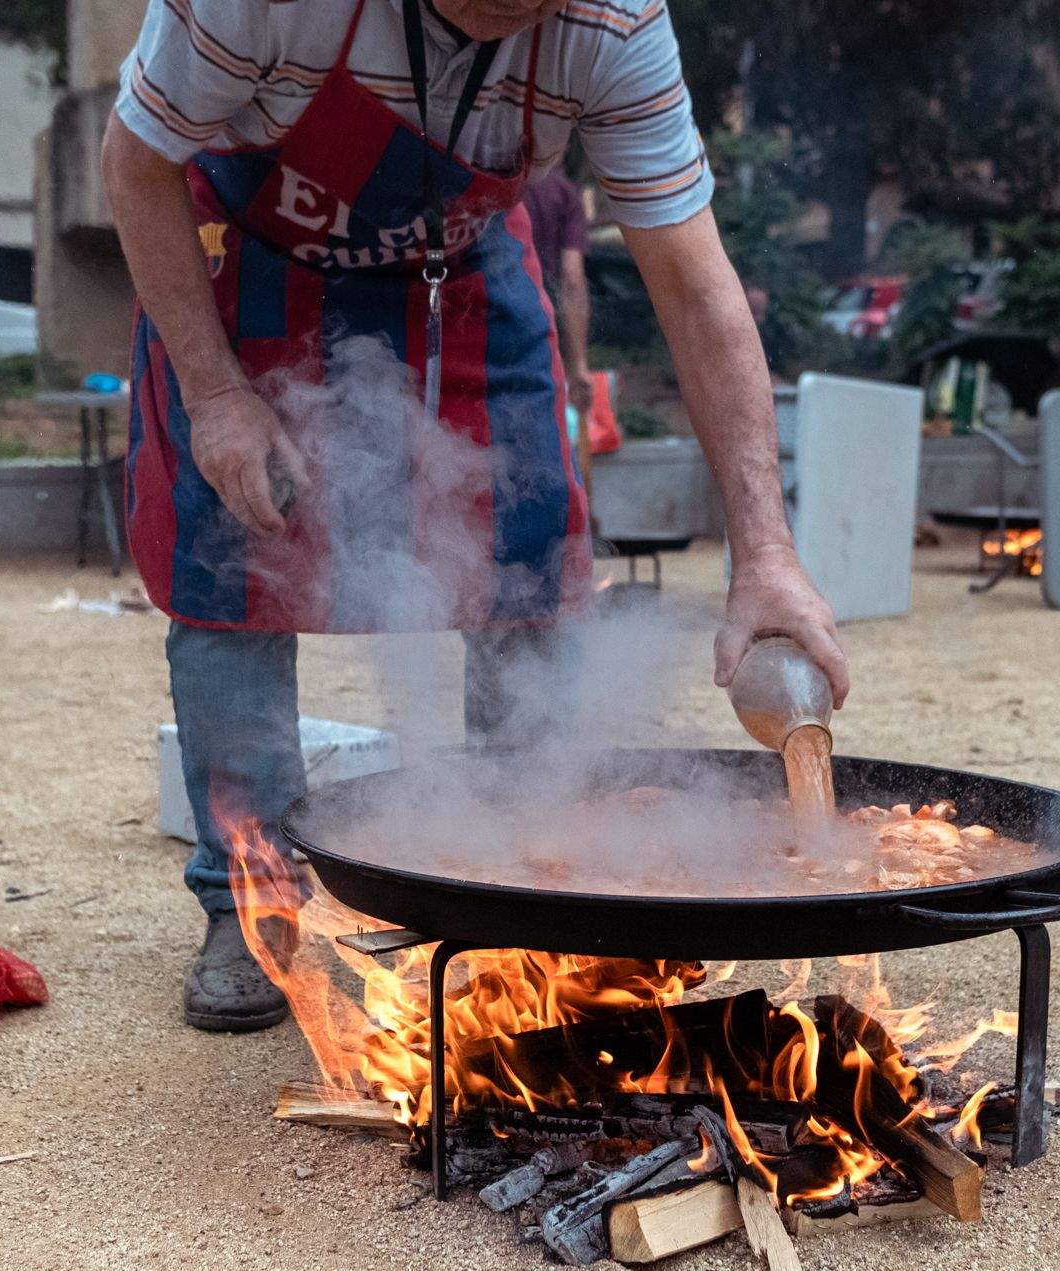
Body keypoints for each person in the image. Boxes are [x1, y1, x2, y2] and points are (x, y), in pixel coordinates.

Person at [103, 0, 849, 1030]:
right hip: (248, 261)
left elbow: (691, 280)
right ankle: (254, 901)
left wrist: (765, 553)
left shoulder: (616, 23)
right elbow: (134, 166)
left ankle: (512, 870)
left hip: (457, 271)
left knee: (528, 564)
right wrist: (217, 396)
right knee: (234, 572)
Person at [521, 165, 593, 485]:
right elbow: (573, 279)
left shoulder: (496, 182)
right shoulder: (565, 194)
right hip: (541, 333)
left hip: (491, 324)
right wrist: (578, 365)